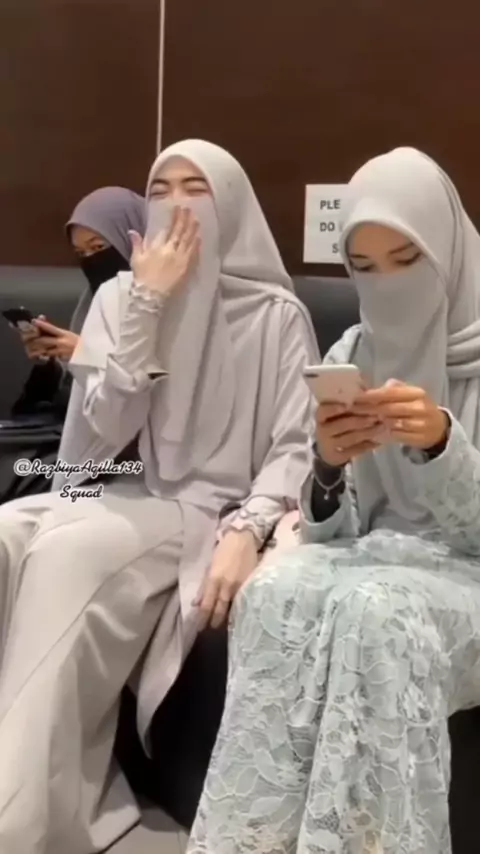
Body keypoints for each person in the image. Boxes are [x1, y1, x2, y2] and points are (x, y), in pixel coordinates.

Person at [0, 139, 319, 853]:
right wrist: (145, 304)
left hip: (210, 506)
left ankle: (20, 818)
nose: (175, 205)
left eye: (194, 189)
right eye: (160, 189)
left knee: (70, 552)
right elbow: (95, 444)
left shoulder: (274, 314)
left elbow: (294, 447)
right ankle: (48, 786)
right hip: (132, 486)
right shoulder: (120, 298)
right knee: (7, 530)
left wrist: (249, 527)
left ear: (229, 204)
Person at [187, 148, 480, 854]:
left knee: (374, 610)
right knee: (273, 591)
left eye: (407, 259)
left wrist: (443, 443)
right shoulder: (354, 349)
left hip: (463, 573)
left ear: (449, 253)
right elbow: (330, 531)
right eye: (364, 268)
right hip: (374, 557)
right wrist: (327, 465)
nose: (388, 286)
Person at [0, 188, 146, 504]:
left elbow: (144, 402)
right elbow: (72, 405)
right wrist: (52, 362)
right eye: (81, 253)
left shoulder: (160, 308)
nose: (92, 260)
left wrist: (84, 352)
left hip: (122, 458)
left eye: (99, 247)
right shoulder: (93, 301)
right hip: (67, 439)